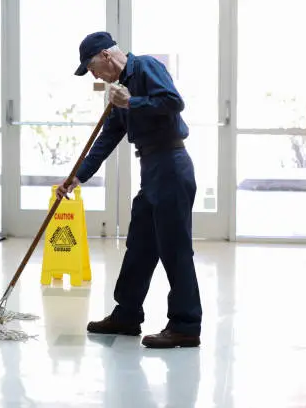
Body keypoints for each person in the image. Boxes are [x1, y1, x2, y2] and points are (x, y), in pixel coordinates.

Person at [56, 31, 202, 348]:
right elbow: (107, 139)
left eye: (92, 67)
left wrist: (133, 101)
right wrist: (76, 177)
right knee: (139, 246)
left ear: (107, 56)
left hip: (172, 165)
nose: (93, 75)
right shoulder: (118, 92)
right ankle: (126, 315)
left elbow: (174, 102)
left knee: (175, 249)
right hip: (151, 169)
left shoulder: (146, 67)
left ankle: (185, 326)